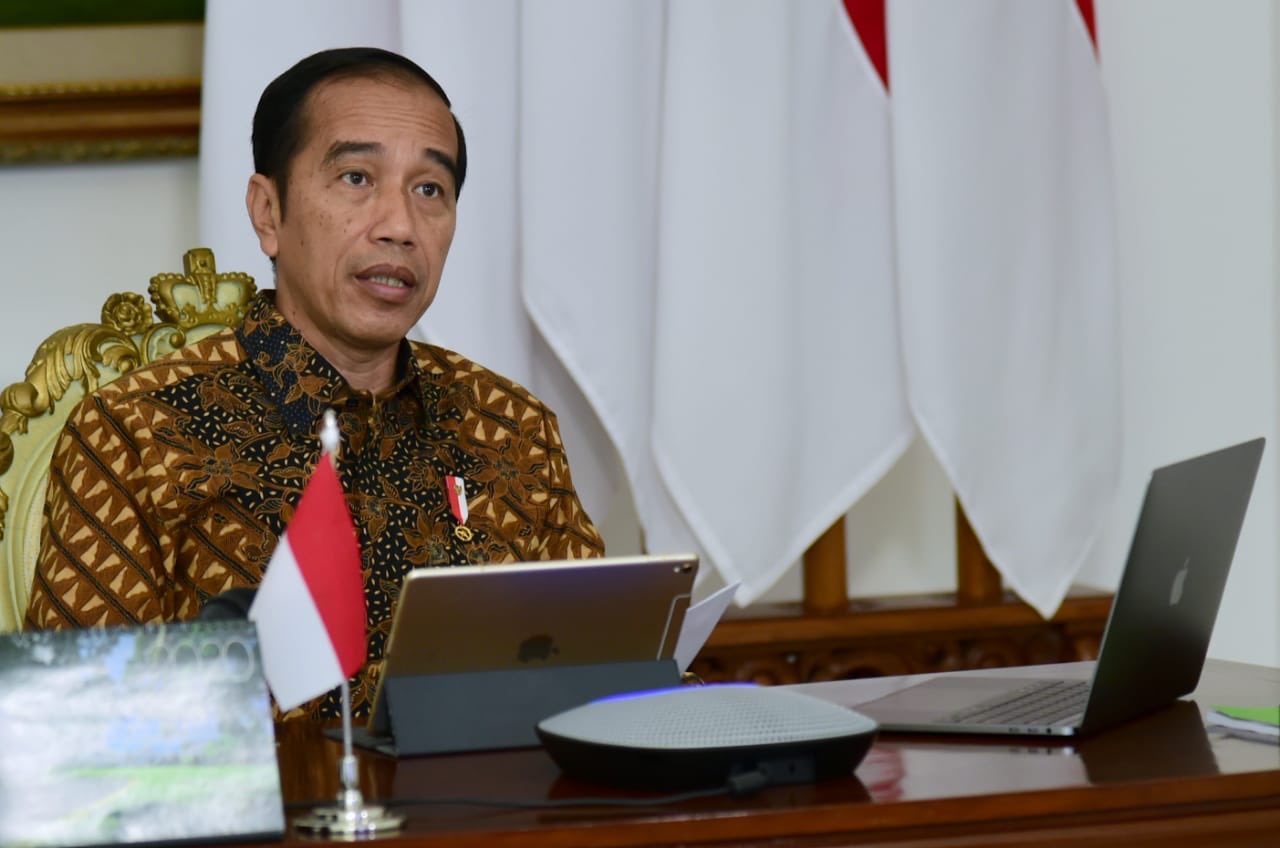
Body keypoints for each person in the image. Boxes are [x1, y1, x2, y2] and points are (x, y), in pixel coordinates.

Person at [24, 48, 605, 720]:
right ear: (268, 212)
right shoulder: (136, 432)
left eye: (429, 191)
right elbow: (85, 736)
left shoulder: (511, 426)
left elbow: (594, 675)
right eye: (357, 178)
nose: (399, 227)